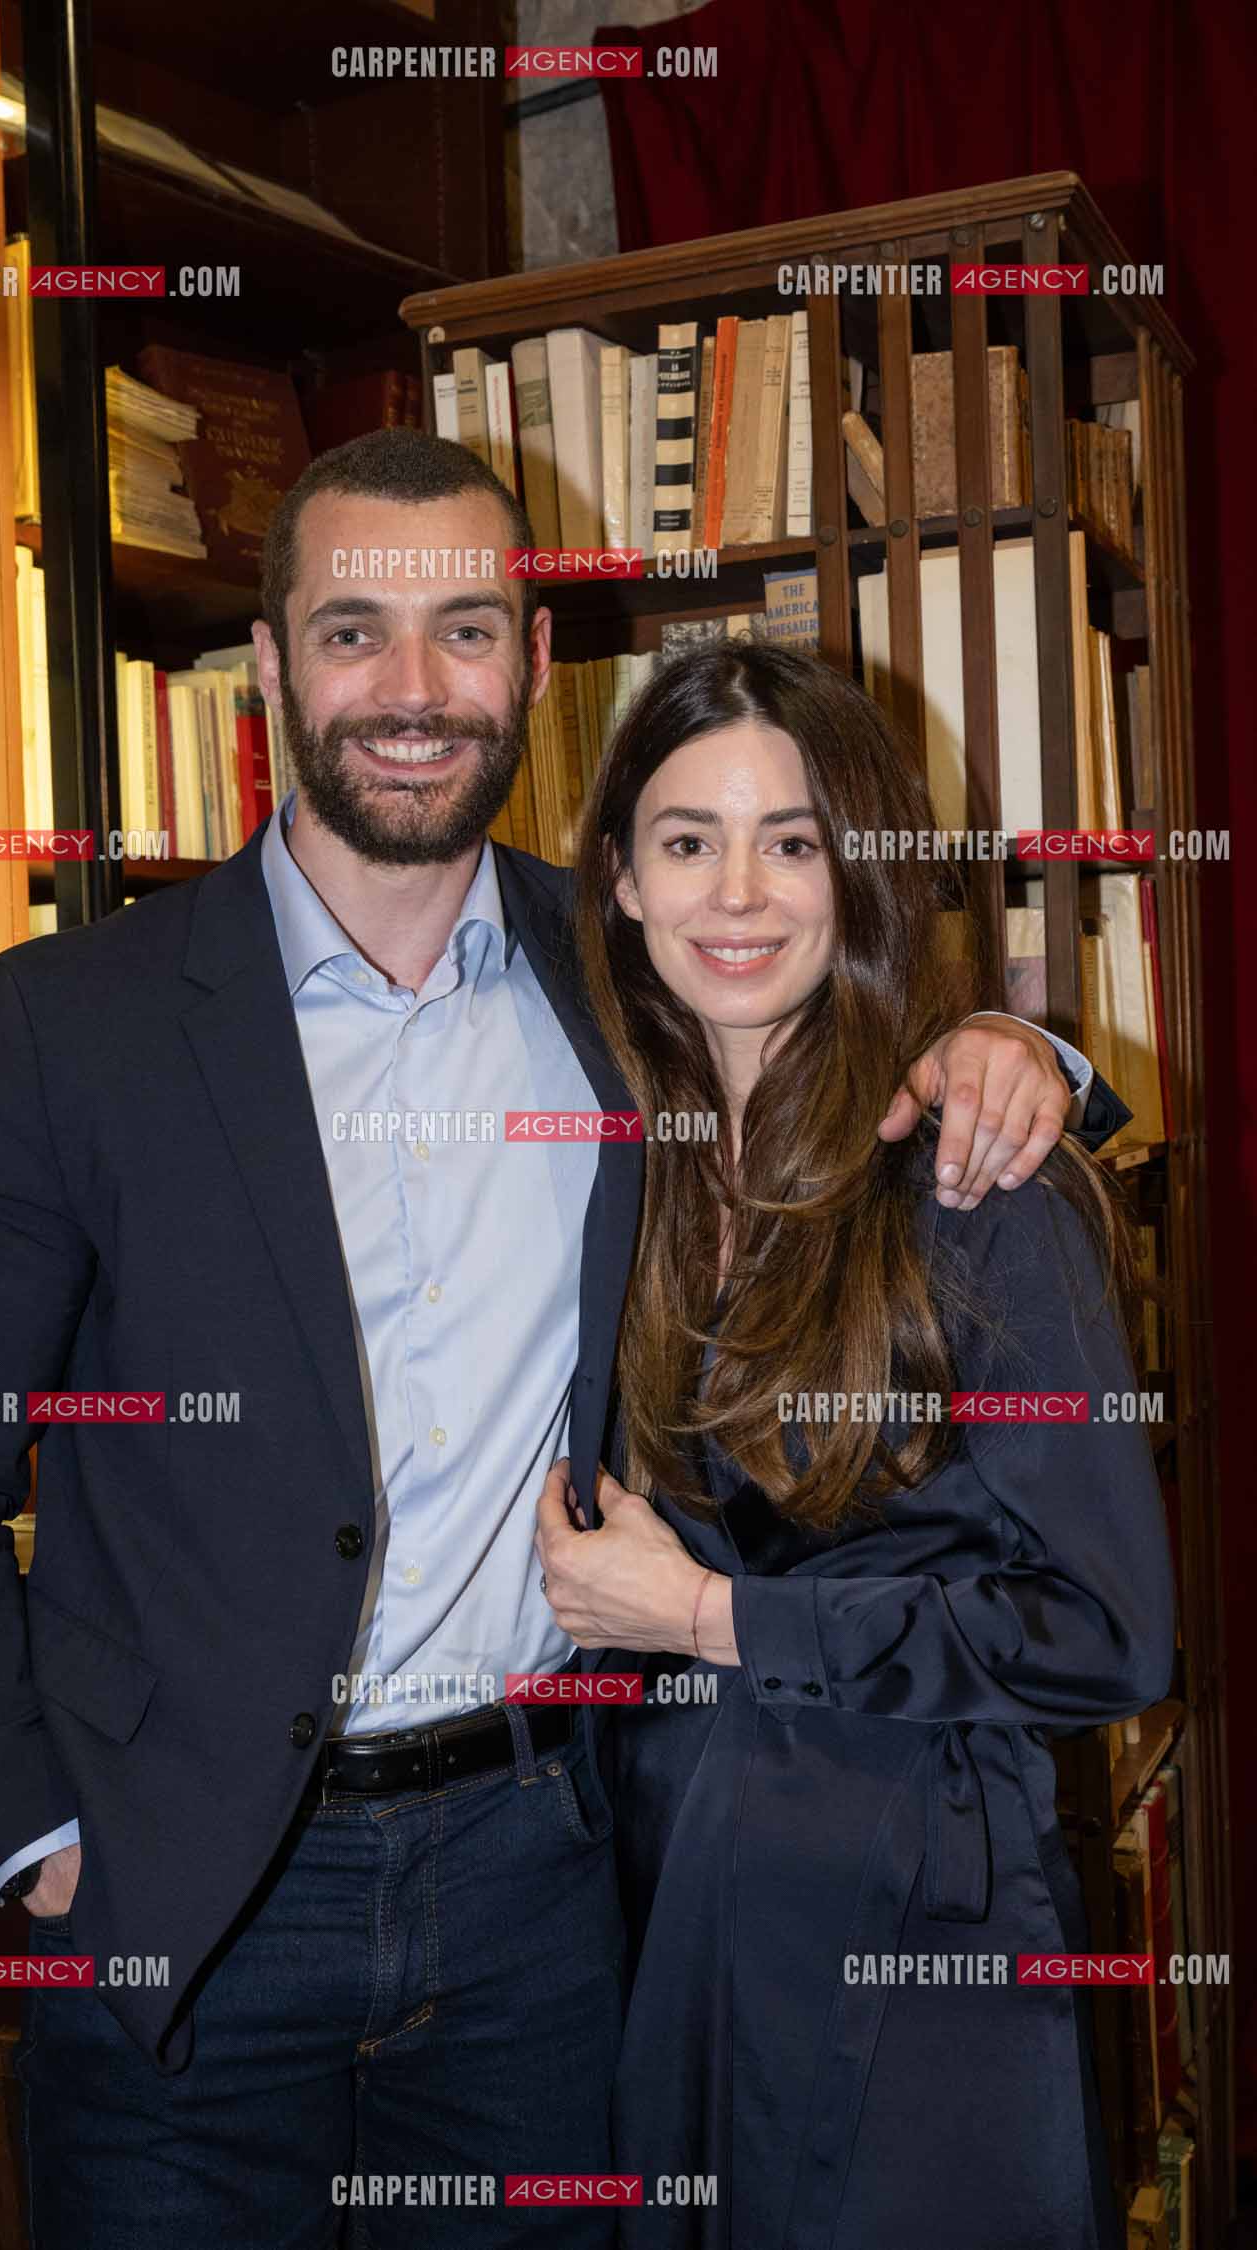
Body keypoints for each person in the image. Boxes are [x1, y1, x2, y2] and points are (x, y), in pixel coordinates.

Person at [0, 433, 1114, 2250]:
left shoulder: (627, 976)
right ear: (271, 665)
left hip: (543, 1885)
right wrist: (35, 1835)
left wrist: (1016, 1052)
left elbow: (829, 1017)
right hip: (188, 1893)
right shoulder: (73, 1023)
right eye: (354, 630)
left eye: (465, 629)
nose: (415, 688)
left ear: (531, 662)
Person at [535, 637, 1176, 2250]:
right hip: (670, 1894)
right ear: (620, 880)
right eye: (689, 840)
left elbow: (1110, 1630)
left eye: (794, 841)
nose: (738, 892)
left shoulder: (974, 1182)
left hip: (915, 1919)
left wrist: (716, 1617)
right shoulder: (621, 1160)